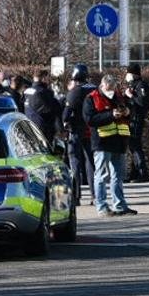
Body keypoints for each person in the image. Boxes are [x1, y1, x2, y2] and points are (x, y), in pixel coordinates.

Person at [83, 74, 137, 217]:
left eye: (113, 88)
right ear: (102, 86)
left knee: (117, 176)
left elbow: (130, 111)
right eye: (108, 88)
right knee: (101, 175)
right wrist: (111, 115)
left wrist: (127, 112)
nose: (111, 91)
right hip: (102, 142)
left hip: (119, 142)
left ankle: (119, 205)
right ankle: (101, 206)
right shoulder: (91, 98)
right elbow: (90, 120)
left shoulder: (118, 96)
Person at [64, 65, 96, 205]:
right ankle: (95, 195)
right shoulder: (95, 89)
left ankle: (76, 196)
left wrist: (65, 123)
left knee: (75, 162)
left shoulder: (75, 91)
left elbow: (66, 112)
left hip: (76, 130)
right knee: (91, 162)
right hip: (92, 130)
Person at [123, 63, 149, 183]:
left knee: (135, 145)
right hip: (131, 119)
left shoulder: (141, 86)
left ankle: (142, 173)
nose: (126, 75)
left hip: (137, 119)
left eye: (128, 73)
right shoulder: (133, 85)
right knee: (133, 146)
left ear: (133, 74)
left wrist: (131, 96)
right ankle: (134, 173)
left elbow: (142, 103)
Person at [24, 69, 62, 142]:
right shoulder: (44, 92)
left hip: (29, 125)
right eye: (47, 77)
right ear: (43, 78)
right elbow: (53, 110)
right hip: (43, 128)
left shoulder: (27, 91)